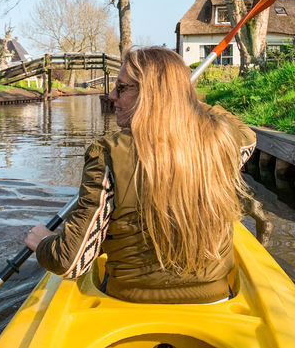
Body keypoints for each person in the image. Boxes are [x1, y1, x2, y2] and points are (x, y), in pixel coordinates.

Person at [25, 47, 256, 304]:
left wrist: (44, 242)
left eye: (122, 88)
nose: (111, 96)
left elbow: (71, 262)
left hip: (128, 300)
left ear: (153, 95)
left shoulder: (107, 153)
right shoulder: (224, 143)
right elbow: (243, 131)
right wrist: (186, 101)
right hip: (213, 299)